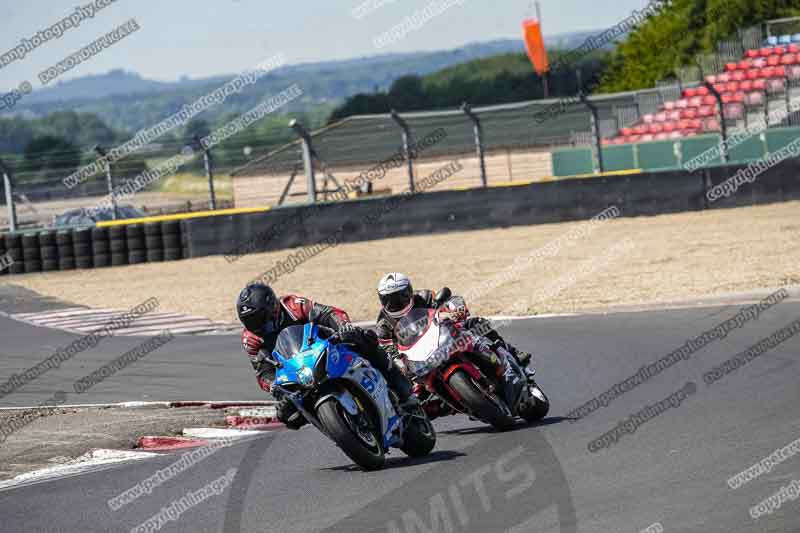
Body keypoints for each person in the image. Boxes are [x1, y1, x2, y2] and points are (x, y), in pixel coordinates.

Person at [236, 282, 416, 429]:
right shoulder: (251, 338)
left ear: (272, 307)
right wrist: (272, 385)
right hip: (295, 371)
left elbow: (329, 313)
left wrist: (343, 327)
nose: (255, 325)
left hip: (325, 346)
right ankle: (335, 426)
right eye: (249, 321)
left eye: (257, 317)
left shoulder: (293, 305)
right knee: (287, 414)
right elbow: (262, 372)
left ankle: (404, 392)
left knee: (365, 341)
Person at [374, 273, 535, 417]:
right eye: (389, 300)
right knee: (415, 398)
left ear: (409, 292)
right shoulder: (383, 324)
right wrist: (399, 363)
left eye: (400, 297)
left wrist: (455, 309)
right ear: (382, 300)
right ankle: (448, 403)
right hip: (420, 357)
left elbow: (450, 300)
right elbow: (387, 350)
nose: (395, 303)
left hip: (445, 337)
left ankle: (512, 352)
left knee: (476, 324)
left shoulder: (423, 297)